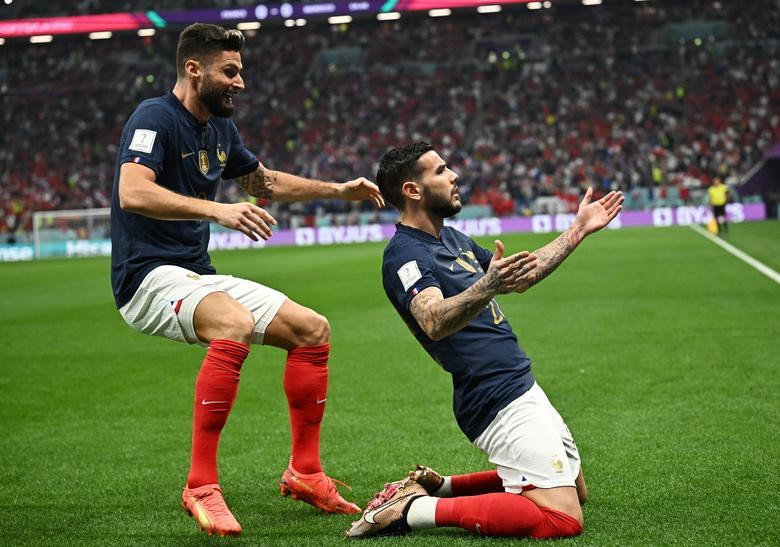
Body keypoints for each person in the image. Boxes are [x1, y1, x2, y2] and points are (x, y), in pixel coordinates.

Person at [110, 23, 384, 537]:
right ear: (194, 69)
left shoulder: (220, 130)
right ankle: (200, 485)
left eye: (241, 71)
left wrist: (338, 190)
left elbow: (264, 183)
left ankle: (305, 473)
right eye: (230, 71)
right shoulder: (154, 117)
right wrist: (218, 210)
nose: (241, 82)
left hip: (192, 275)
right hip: (144, 277)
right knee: (232, 323)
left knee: (312, 329)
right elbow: (133, 191)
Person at [345, 142, 623, 539]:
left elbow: (520, 276)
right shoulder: (404, 255)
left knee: (577, 493)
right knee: (562, 519)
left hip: (519, 381)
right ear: (412, 190)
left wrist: (577, 230)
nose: (454, 175)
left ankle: (443, 487)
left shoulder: (453, 238)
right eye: (440, 171)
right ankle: (415, 508)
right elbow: (433, 320)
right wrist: (487, 284)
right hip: (491, 394)